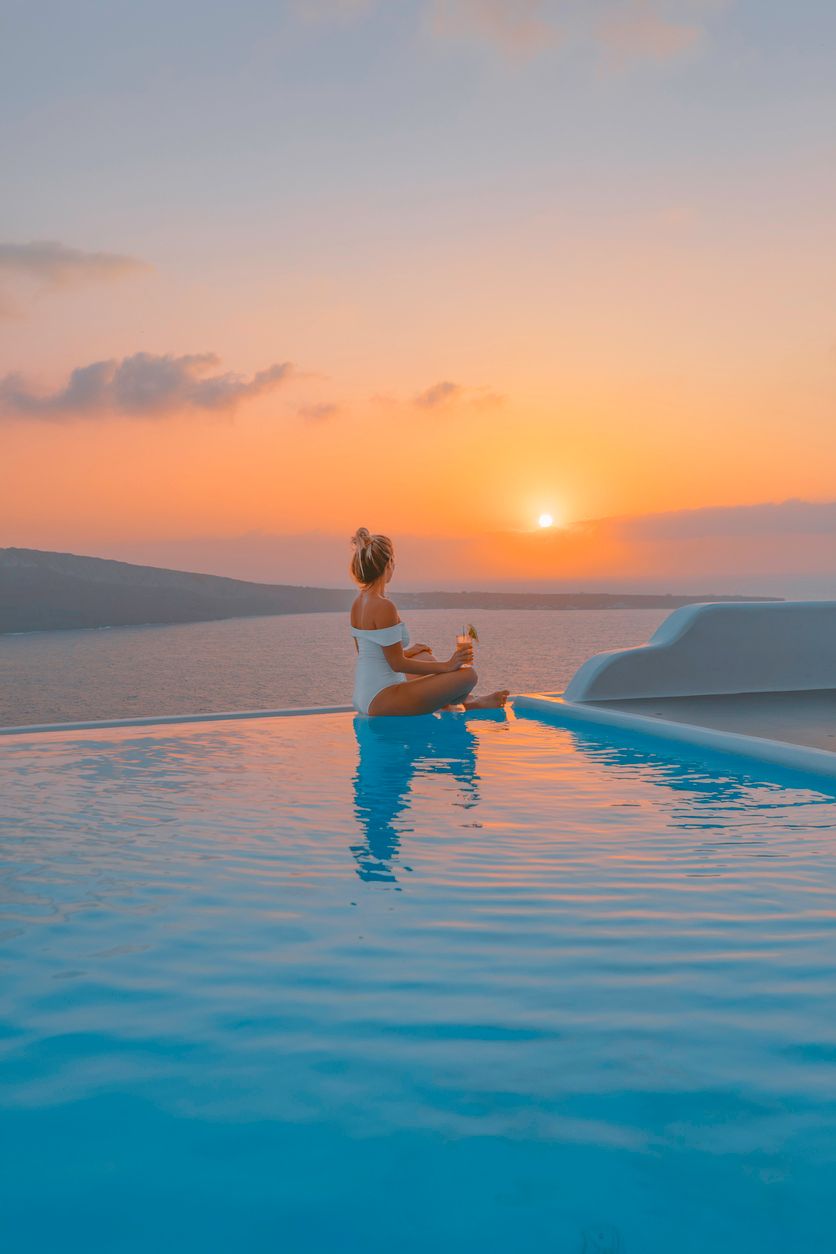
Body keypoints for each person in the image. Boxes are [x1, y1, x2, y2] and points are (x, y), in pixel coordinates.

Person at [349, 527, 510, 717]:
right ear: (389, 564)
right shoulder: (385, 606)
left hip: (364, 694)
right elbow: (397, 664)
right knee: (468, 676)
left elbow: (368, 653)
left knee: (424, 656)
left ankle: (466, 701)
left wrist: (409, 652)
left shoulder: (358, 602)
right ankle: (470, 702)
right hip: (380, 699)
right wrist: (448, 665)